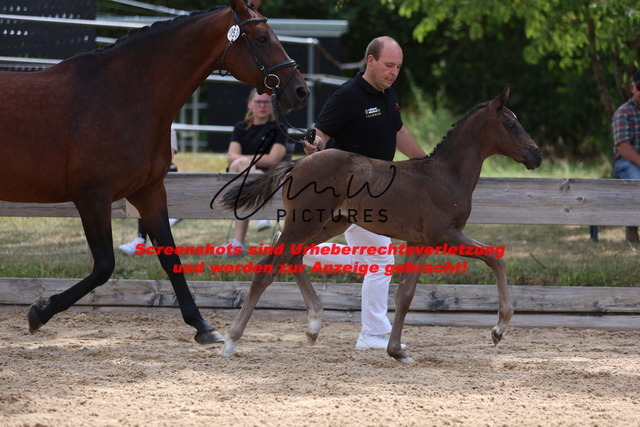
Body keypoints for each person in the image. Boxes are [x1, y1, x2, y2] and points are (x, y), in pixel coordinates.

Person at [303, 36, 427, 350]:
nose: (393, 72)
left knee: (373, 259)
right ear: (370, 60)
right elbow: (321, 133)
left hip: (381, 191)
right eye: (388, 65)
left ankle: (301, 251)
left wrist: (426, 163)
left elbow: (398, 131)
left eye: (398, 67)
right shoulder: (347, 95)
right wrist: (314, 143)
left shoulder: (389, 94)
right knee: (381, 258)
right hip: (352, 191)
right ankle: (372, 333)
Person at [217, 88, 289, 256]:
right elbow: (231, 158)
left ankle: (238, 244)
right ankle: (259, 213)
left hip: (268, 179)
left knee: (244, 182)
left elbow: (273, 159)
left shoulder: (279, 128)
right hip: (239, 176)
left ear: (271, 105)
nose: (262, 106)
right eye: (258, 102)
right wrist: (248, 160)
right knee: (241, 167)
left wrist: (242, 158)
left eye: (266, 102)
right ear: (250, 104)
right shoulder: (241, 127)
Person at [119, 127, 181, 255]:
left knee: (146, 196)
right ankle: (142, 239)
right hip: (147, 173)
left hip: (159, 174)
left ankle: (141, 240)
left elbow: (169, 155)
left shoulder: (168, 129)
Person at [612, 67, 640, 244]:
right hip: (626, 162)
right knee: (637, 182)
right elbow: (623, 147)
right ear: (632, 88)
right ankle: (632, 228)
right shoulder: (623, 112)